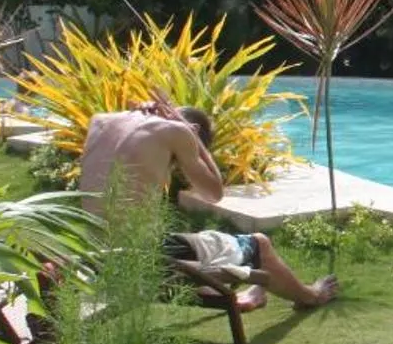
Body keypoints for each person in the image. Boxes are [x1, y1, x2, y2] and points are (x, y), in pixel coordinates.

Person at [78, 100, 337, 309]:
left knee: (192, 245)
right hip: (141, 259)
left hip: (92, 254)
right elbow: (214, 193)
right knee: (259, 243)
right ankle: (312, 296)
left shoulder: (100, 121)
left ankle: (234, 296)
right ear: (193, 129)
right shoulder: (176, 132)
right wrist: (195, 143)